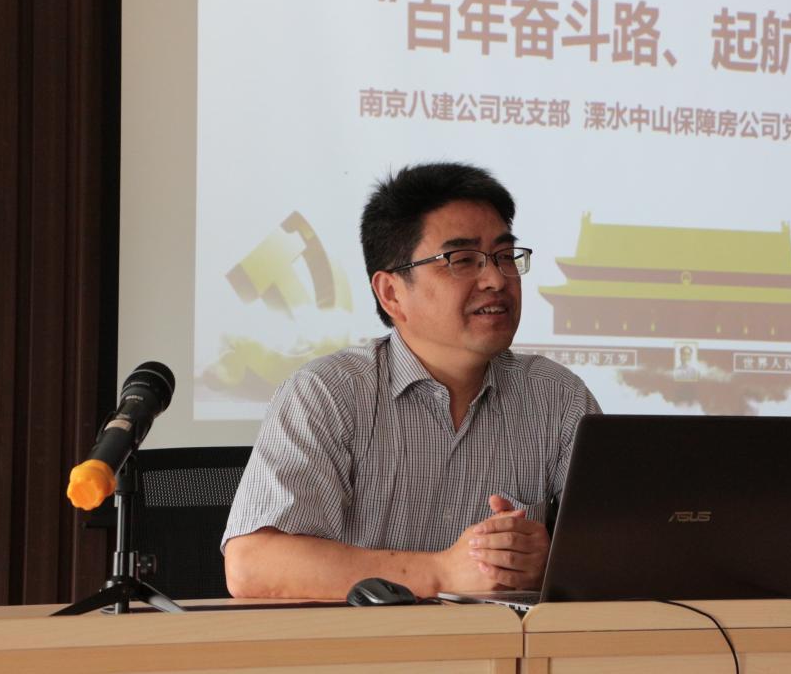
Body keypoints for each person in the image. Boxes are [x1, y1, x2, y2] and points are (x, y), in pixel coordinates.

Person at [222, 163, 601, 599]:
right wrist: (441, 573)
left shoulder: (557, 397)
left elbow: (624, 553)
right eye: (463, 260)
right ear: (391, 293)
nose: (497, 279)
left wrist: (548, 562)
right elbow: (252, 566)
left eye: (504, 256)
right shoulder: (329, 393)